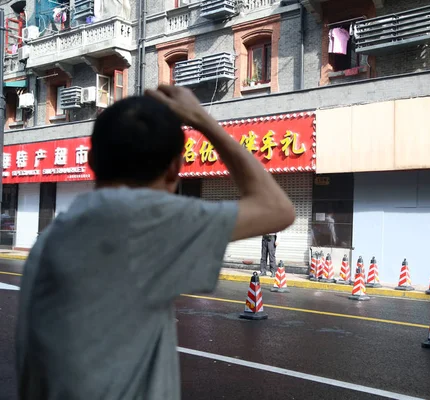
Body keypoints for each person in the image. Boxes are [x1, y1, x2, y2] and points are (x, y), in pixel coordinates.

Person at [15, 85, 295, 400]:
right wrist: (203, 120)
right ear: (177, 166)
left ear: (91, 159)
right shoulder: (146, 222)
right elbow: (278, 209)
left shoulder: (56, 234)